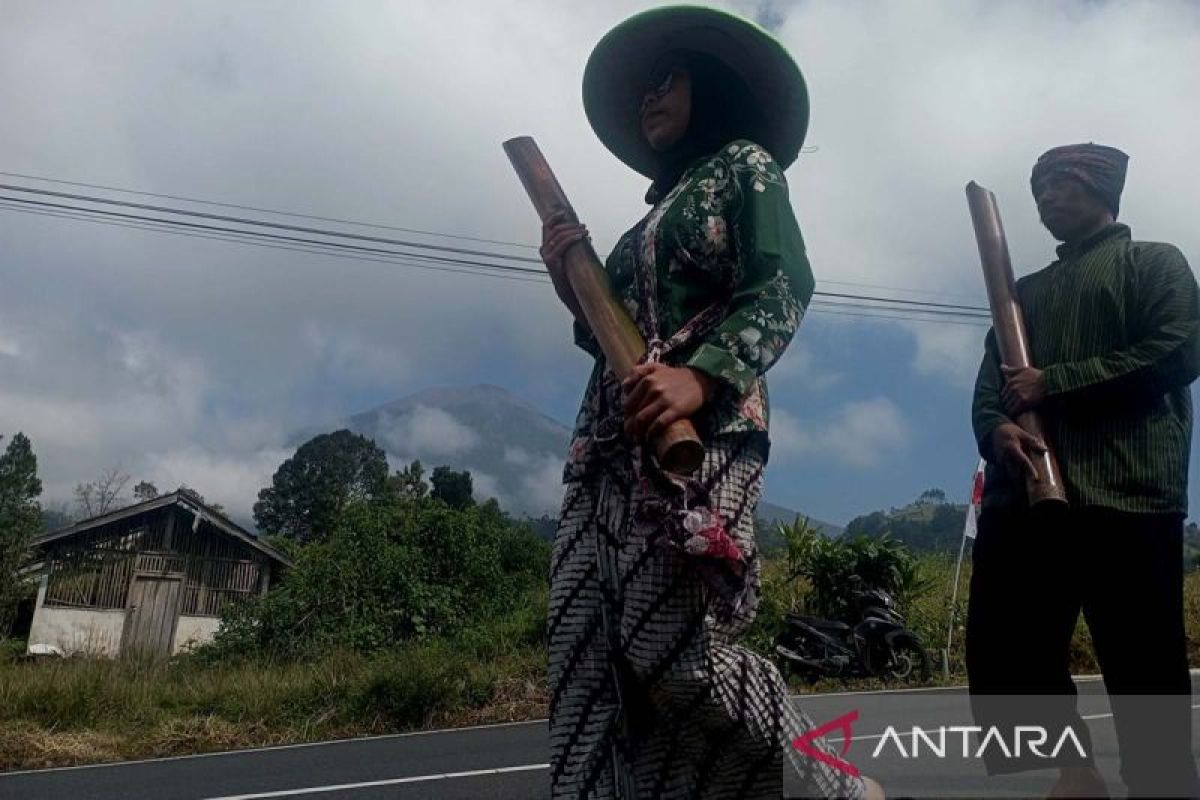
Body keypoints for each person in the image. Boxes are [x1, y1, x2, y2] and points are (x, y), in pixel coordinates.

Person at [540, 7, 882, 800]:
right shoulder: (641, 228)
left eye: (666, 80)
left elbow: (783, 282)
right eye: (643, 88)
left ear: (713, 83)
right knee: (586, 657)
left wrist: (703, 376)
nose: (647, 98)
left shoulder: (745, 168)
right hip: (606, 448)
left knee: (675, 653)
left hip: (704, 433)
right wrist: (573, 288)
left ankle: (833, 783)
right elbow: (610, 343)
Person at [968, 143, 1200, 798]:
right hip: (1026, 500)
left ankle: (1161, 787)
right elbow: (994, 383)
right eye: (1036, 188)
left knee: (1144, 666)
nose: (1043, 198)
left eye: (1057, 184)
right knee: (1007, 646)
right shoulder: (1023, 295)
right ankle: (1073, 771)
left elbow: (1175, 349)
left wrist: (1056, 382)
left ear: (1100, 188)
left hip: (1126, 493)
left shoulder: (1153, 263)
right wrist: (997, 427)